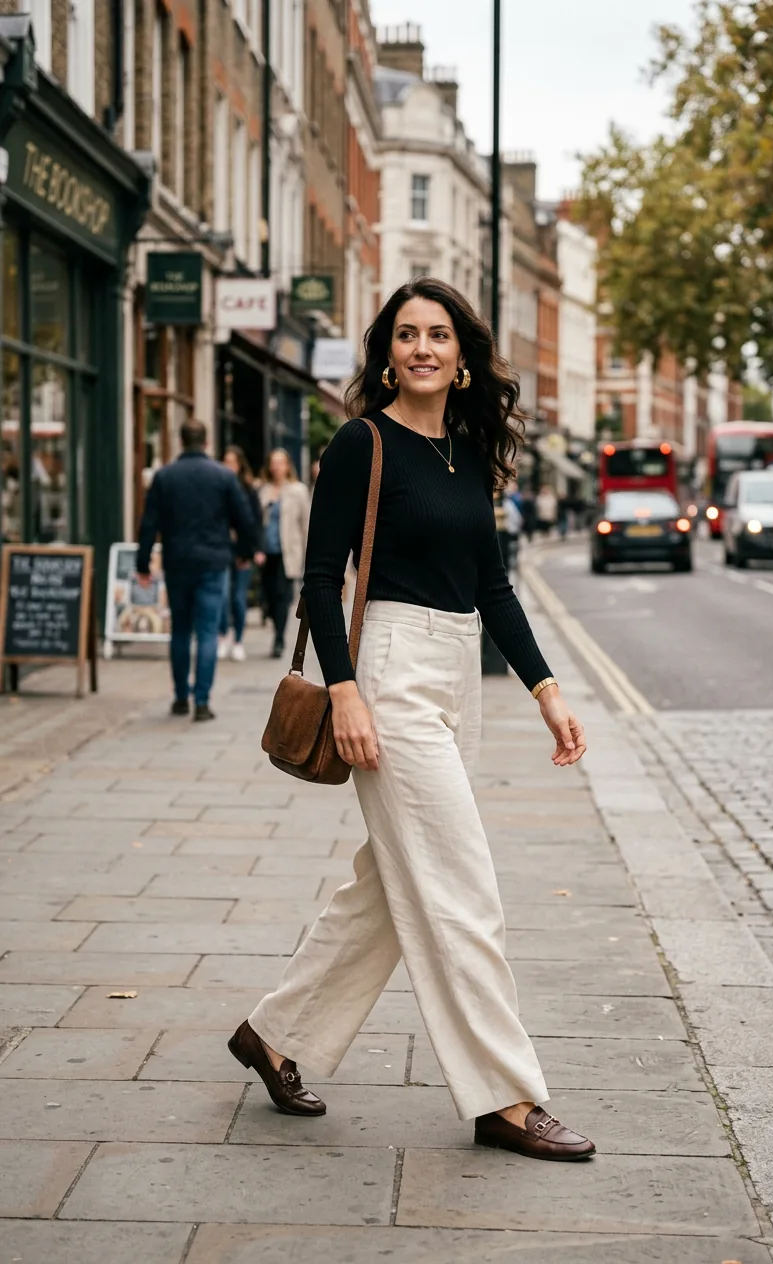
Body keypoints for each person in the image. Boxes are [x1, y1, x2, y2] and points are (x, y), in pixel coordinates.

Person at [228, 277, 594, 1163]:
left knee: (393, 887)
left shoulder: (468, 455)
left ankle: (275, 1035)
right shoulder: (361, 443)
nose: (422, 348)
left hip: (454, 669)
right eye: (406, 335)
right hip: (387, 671)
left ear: (462, 355)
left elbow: (493, 586)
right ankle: (505, 1097)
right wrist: (346, 688)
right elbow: (322, 579)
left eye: (438, 335)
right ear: (386, 352)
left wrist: (546, 691)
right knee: (462, 887)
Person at [136, 419, 257, 721]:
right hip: (214, 562)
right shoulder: (223, 477)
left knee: (180, 630)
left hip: (177, 561)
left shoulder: (164, 477)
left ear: (181, 441)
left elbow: (148, 524)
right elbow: (245, 520)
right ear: (206, 443)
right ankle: (201, 701)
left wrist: (143, 563)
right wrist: (243, 553)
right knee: (206, 631)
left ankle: (180, 697)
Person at [257, 448, 310, 658]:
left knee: (281, 596)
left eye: (280, 462)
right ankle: (274, 623)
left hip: (288, 552)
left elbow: (305, 524)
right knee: (267, 596)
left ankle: (279, 638)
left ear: (287, 465)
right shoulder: (263, 489)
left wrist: (308, 555)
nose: (276, 467)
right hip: (265, 552)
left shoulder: (298, 490)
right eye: (273, 462)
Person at [217, 445, 263, 662]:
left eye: (232, 462)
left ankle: (238, 641)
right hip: (222, 550)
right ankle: (223, 635)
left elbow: (253, 523)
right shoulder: (217, 487)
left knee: (238, 597)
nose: (229, 466)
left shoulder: (247, 489)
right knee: (223, 597)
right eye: (226, 461)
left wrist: (251, 551)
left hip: (242, 552)